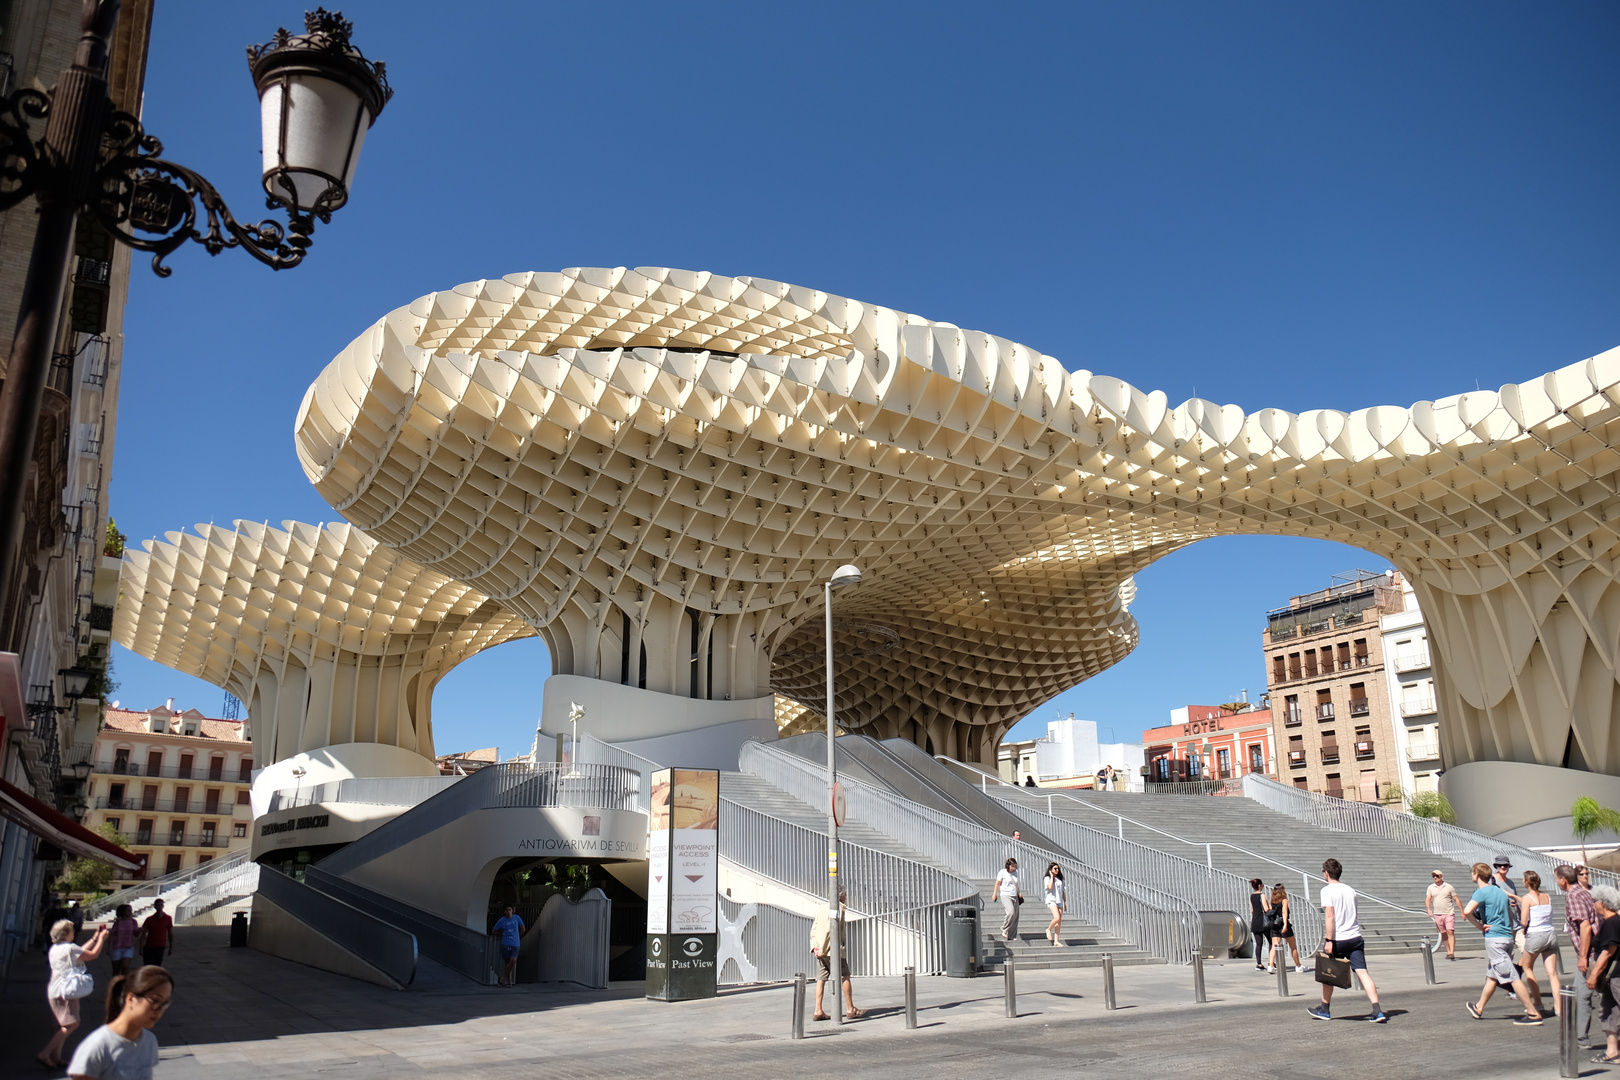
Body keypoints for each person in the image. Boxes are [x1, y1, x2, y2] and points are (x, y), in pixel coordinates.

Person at [1307, 858, 1387, 1023]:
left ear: (1326, 873)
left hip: (1339, 938)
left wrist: (1329, 940)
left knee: (1327, 974)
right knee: (1363, 972)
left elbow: (1330, 916)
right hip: (1355, 936)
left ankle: (1324, 1008)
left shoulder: (1327, 890)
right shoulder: (1350, 890)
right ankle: (1377, 1009)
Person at [1463, 861, 1544, 1024]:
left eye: (1473, 873)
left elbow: (1466, 912)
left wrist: (1480, 926)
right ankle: (1479, 1007)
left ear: (1477, 875)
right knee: (1493, 975)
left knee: (1512, 976)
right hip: (1507, 937)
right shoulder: (1500, 892)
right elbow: (1509, 913)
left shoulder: (1481, 892)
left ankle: (1533, 1012)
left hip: (1494, 938)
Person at [66, 964, 172, 1080]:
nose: (160, 1010)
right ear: (131, 999)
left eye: (165, 1003)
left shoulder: (149, 1041)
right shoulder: (97, 1046)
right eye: (155, 1000)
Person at [38, 918, 108, 1069]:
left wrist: (94, 938)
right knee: (72, 1024)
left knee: (62, 1025)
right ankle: (46, 1053)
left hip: (55, 990)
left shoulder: (56, 948)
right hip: (65, 991)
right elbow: (92, 955)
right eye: (72, 930)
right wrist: (101, 939)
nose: (74, 932)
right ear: (65, 933)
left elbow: (80, 951)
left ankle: (56, 1057)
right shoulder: (69, 949)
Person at [1559, 864, 1601, 1049]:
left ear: (1563, 880)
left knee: (1582, 997)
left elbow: (1585, 926)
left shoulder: (1574, 895)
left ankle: (1581, 1039)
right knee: (1581, 996)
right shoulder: (1585, 892)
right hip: (1597, 950)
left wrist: (1583, 956)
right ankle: (1580, 1037)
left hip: (1591, 954)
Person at [809, 888, 863, 1021]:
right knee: (845, 976)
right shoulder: (838, 909)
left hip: (820, 951)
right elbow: (829, 930)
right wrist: (822, 948)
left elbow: (814, 929)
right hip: (832, 950)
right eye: (845, 895)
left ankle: (818, 1010)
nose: (846, 898)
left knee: (821, 979)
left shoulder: (822, 908)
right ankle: (850, 1008)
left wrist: (815, 947)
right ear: (842, 896)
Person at [1519, 870, 1561, 1018]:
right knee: (1552, 973)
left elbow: (1524, 921)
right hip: (1550, 933)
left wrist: (1522, 927)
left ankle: (1538, 1003)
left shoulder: (1527, 898)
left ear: (1526, 882)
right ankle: (1558, 1006)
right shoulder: (1547, 896)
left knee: (1527, 967)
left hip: (1536, 934)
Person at [1586, 886, 1620, 1066]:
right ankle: (1612, 1051)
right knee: (1608, 1011)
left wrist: (1593, 976)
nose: (1593, 904)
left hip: (1616, 976)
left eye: (1595, 901)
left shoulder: (1611, 923)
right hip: (1610, 977)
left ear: (1604, 903)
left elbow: (1608, 952)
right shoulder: (1611, 921)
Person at [1268, 883, 1304, 973]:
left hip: (1274, 925)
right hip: (1283, 924)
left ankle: (1271, 966)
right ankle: (1298, 965)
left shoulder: (1272, 900)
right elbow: (1284, 912)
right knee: (1293, 946)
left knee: (1274, 946)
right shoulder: (1284, 900)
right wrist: (1285, 924)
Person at [1426, 870, 1461, 961]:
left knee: (1450, 931)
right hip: (1438, 914)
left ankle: (1451, 952)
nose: (1435, 878)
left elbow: (1456, 899)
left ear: (1441, 877)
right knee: (1444, 933)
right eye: (1433, 876)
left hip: (1449, 912)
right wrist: (1429, 909)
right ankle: (1448, 950)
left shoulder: (1449, 887)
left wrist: (1462, 911)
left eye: (1437, 876)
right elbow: (1428, 899)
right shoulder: (1431, 887)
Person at [491, 905, 525, 987]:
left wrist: (517, 936)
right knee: (507, 962)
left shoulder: (517, 918)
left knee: (513, 960)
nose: (508, 911)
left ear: (512, 910)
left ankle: (502, 978)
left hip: (515, 943)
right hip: (505, 943)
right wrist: (501, 935)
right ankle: (509, 981)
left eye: (510, 909)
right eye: (507, 910)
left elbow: (523, 928)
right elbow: (494, 930)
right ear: (504, 912)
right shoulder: (502, 920)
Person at [992, 857, 1023, 942]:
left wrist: (1019, 892)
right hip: (1005, 894)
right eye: (1012, 866)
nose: (1014, 868)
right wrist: (995, 894)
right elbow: (997, 884)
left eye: (1015, 866)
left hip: (1014, 895)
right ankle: (1004, 928)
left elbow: (1015, 883)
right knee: (1011, 912)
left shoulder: (1016, 872)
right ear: (1008, 865)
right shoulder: (1002, 872)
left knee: (1015, 916)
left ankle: (1012, 935)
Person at [136, 900, 173, 968]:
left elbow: (170, 933)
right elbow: (143, 934)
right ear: (155, 906)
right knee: (147, 966)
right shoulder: (149, 919)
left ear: (163, 906)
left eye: (161, 905)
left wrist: (171, 947)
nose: (160, 907)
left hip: (160, 945)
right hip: (149, 945)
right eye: (158, 905)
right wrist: (140, 947)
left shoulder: (168, 918)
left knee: (157, 966)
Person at [108, 904, 139, 977]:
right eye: (128, 910)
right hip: (117, 947)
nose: (130, 912)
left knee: (125, 967)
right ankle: (116, 984)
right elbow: (112, 935)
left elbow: (136, 934)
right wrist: (109, 947)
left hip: (128, 947)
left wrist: (140, 931)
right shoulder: (118, 922)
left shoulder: (133, 922)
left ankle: (125, 984)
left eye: (131, 910)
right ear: (123, 912)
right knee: (116, 970)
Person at [1249, 879, 1270, 971]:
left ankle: (1259, 963)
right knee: (1271, 941)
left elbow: (1252, 910)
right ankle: (1271, 961)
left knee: (1259, 944)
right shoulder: (1262, 895)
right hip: (1263, 921)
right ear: (1259, 886)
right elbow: (1266, 909)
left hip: (1255, 921)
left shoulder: (1252, 896)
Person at [1043, 863, 1066, 946]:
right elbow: (1049, 887)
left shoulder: (1060, 879)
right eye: (1055, 869)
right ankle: (1048, 929)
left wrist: (1065, 902)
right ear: (1051, 869)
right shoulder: (1047, 878)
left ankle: (1056, 941)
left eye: (1058, 869)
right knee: (1057, 917)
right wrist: (1051, 877)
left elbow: (1063, 891)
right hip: (1051, 899)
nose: (1057, 870)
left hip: (1059, 900)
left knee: (1059, 922)